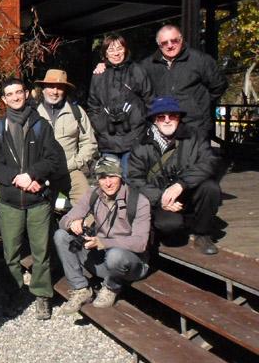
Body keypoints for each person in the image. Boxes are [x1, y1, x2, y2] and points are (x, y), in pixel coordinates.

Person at [0, 77, 68, 320]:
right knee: (10, 252)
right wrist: (17, 178)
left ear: (26, 94)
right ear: (4, 99)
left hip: (38, 200)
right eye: (9, 94)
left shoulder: (41, 126)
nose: (15, 97)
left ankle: (42, 294)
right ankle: (13, 293)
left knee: (41, 250)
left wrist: (33, 175)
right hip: (10, 201)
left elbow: (53, 159)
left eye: (19, 92)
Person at [54, 155, 151, 313]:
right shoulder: (93, 194)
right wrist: (72, 223)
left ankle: (111, 288)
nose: (108, 183)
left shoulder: (139, 201)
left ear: (120, 176)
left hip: (131, 265)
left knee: (115, 255)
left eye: (112, 176)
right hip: (102, 258)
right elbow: (64, 220)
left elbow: (140, 243)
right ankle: (80, 289)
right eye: (102, 177)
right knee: (61, 236)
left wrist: (103, 242)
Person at [127, 96, 221, 255]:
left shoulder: (195, 136)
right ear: (154, 120)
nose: (167, 120)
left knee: (211, 188)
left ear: (179, 118)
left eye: (172, 116)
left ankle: (203, 234)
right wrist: (160, 197)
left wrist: (181, 184)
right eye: (161, 117)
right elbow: (135, 179)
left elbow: (209, 162)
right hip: (159, 198)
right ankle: (157, 228)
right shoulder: (141, 143)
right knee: (169, 225)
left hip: (187, 192)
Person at [140, 24, 227, 141]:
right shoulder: (147, 65)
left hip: (195, 126)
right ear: (159, 45)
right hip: (163, 127)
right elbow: (139, 91)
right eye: (165, 43)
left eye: (174, 41)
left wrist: (198, 105)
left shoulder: (200, 60)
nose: (170, 45)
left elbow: (219, 85)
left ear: (181, 39)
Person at [87, 34, 153, 177]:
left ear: (126, 49)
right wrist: (101, 126)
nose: (116, 53)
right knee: (109, 181)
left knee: (131, 179)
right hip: (107, 140)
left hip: (134, 138)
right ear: (105, 53)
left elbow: (149, 100)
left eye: (119, 48)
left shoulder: (137, 70)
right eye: (111, 50)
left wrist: (142, 125)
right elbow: (93, 106)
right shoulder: (99, 75)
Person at [35, 69, 98, 203]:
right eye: (51, 86)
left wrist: (76, 162)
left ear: (65, 91)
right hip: (41, 172)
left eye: (59, 87)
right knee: (40, 210)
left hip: (70, 170)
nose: (55, 91)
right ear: (43, 89)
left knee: (87, 203)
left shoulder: (77, 112)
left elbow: (89, 142)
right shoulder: (33, 114)